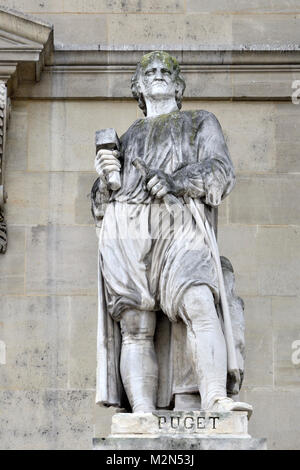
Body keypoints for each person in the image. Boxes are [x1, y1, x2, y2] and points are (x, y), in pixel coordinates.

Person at [92, 51, 252, 416]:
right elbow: (102, 206)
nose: (159, 74)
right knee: (136, 324)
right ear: (139, 86)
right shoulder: (127, 139)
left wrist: (176, 181)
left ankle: (214, 398)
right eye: (150, 71)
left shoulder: (200, 122)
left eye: (167, 70)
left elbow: (220, 171)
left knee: (198, 301)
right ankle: (143, 413)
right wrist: (104, 180)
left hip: (182, 226)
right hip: (131, 235)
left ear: (179, 86)